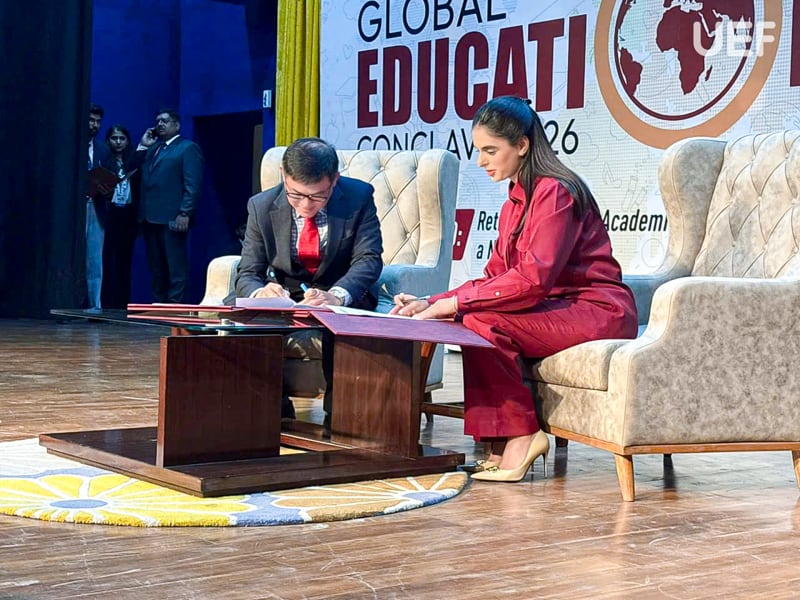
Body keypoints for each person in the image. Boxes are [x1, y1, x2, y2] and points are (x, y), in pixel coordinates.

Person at [391, 96, 638, 482]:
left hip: (597, 310)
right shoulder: (514, 202)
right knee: (470, 315)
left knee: (481, 321)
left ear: (522, 144)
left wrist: (454, 304)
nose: (481, 161)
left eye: (490, 151)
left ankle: (522, 435)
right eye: (479, 151)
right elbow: (494, 276)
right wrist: (432, 301)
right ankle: (501, 442)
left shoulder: (556, 191)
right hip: (557, 308)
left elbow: (533, 280)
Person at [235, 137, 383, 421]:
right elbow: (248, 272)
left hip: (338, 292)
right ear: (284, 175)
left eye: (317, 197)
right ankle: (273, 418)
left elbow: (369, 259)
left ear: (334, 180)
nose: (305, 205)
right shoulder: (261, 206)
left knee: (343, 330)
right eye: (296, 195)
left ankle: (341, 421)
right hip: (286, 297)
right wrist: (260, 293)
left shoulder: (359, 197)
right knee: (241, 329)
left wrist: (337, 295)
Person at [135, 109, 203, 303]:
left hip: (173, 217)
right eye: (157, 121)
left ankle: (174, 307)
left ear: (177, 125)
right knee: (156, 268)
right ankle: (158, 305)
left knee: (175, 267)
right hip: (150, 217)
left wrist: (185, 212)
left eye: (165, 121)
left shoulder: (187, 148)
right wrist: (143, 145)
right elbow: (136, 171)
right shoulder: (153, 148)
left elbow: (192, 184)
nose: (160, 124)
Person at [101, 125, 140, 309]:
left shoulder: (133, 161)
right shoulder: (104, 160)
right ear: (108, 140)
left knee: (124, 261)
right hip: (109, 213)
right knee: (107, 260)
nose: (118, 142)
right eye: (114, 138)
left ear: (127, 141)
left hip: (128, 214)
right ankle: (106, 303)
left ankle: (122, 304)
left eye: (122, 138)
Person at [84, 103, 111, 313]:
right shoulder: (70, 146)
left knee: (95, 259)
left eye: (98, 121)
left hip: (96, 207)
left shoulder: (103, 149)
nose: (94, 125)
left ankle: (95, 305)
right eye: (91, 120)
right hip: (73, 210)